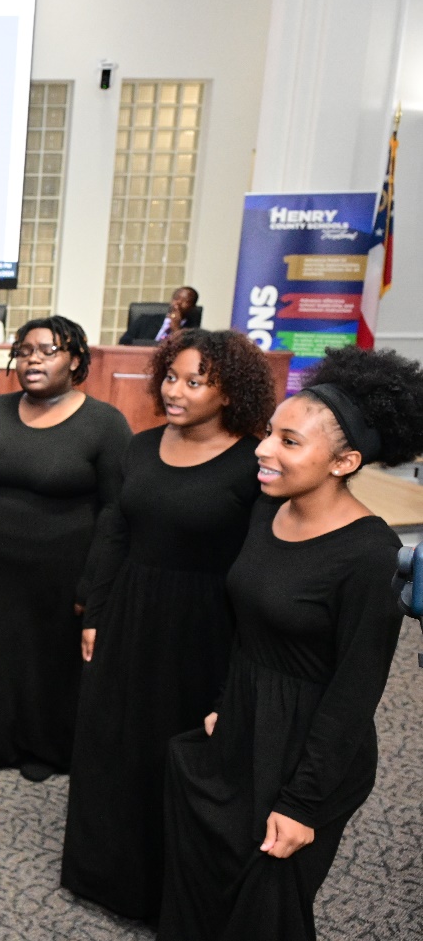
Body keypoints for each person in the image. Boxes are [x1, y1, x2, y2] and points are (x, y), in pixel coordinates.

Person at [159, 346, 423, 941]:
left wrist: (303, 803)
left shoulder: (369, 554)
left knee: (266, 903)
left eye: (290, 441)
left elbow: (356, 690)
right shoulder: (267, 509)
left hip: (311, 744)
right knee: (209, 873)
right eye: (271, 432)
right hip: (246, 719)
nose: (263, 448)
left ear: (344, 461)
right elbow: (248, 624)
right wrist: (228, 700)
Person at [61, 329, 276, 920]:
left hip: (204, 627)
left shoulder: (253, 462)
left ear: (229, 392)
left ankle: (167, 889)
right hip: (130, 610)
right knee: (112, 739)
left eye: (195, 382)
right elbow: (116, 533)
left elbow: (258, 562)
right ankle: (103, 873)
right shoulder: (140, 447)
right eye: (171, 377)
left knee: (177, 751)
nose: (175, 391)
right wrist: (95, 611)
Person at [0, 316, 130, 781]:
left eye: (47, 350)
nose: (32, 359)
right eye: (25, 350)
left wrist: (95, 580)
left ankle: (42, 746)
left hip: (56, 568)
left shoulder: (105, 424)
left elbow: (116, 511)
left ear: (75, 359)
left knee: (42, 657)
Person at [118, 286, 201, 344]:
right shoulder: (145, 320)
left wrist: (176, 329)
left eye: (185, 301)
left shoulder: (194, 332)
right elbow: (124, 341)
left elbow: (187, 353)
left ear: (192, 307)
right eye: (176, 298)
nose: (178, 302)